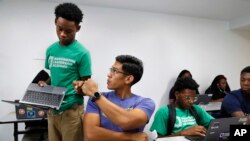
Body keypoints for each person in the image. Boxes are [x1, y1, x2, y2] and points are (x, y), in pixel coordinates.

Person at [38, 3, 92, 141]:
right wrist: (45, 83)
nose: (63, 34)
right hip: (53, 108)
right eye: (59, 29)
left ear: (78, 28)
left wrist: (80, 88)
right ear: (55, 23)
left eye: (68, 31)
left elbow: (87, 83)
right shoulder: (51, 50)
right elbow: (53, 75)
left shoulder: (82, 53)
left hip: (71, 110)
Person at [77, 55, 155, 141]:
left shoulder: (146, 103)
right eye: (111, 70)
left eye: (114, 71)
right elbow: (91, 134)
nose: (109, 75)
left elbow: (127, 121)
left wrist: (96, 95)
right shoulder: (95, 98)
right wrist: (131, 137)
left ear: (128, 79)